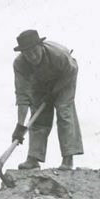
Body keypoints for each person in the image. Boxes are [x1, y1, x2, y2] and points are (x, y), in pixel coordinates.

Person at [10, 29, 83, 170]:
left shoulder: (58, 55)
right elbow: (22, 95)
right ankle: (33, 159)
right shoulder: (19, 64)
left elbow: (71, 70)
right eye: (27, 54)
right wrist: (20, 126)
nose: (32, 57)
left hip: (65, 77)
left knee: (64, 110)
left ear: (41, 46)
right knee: (38, 116)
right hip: (40, 83)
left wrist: (54, 92)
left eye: (34, 51)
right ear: (22, 53)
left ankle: (68, 159)